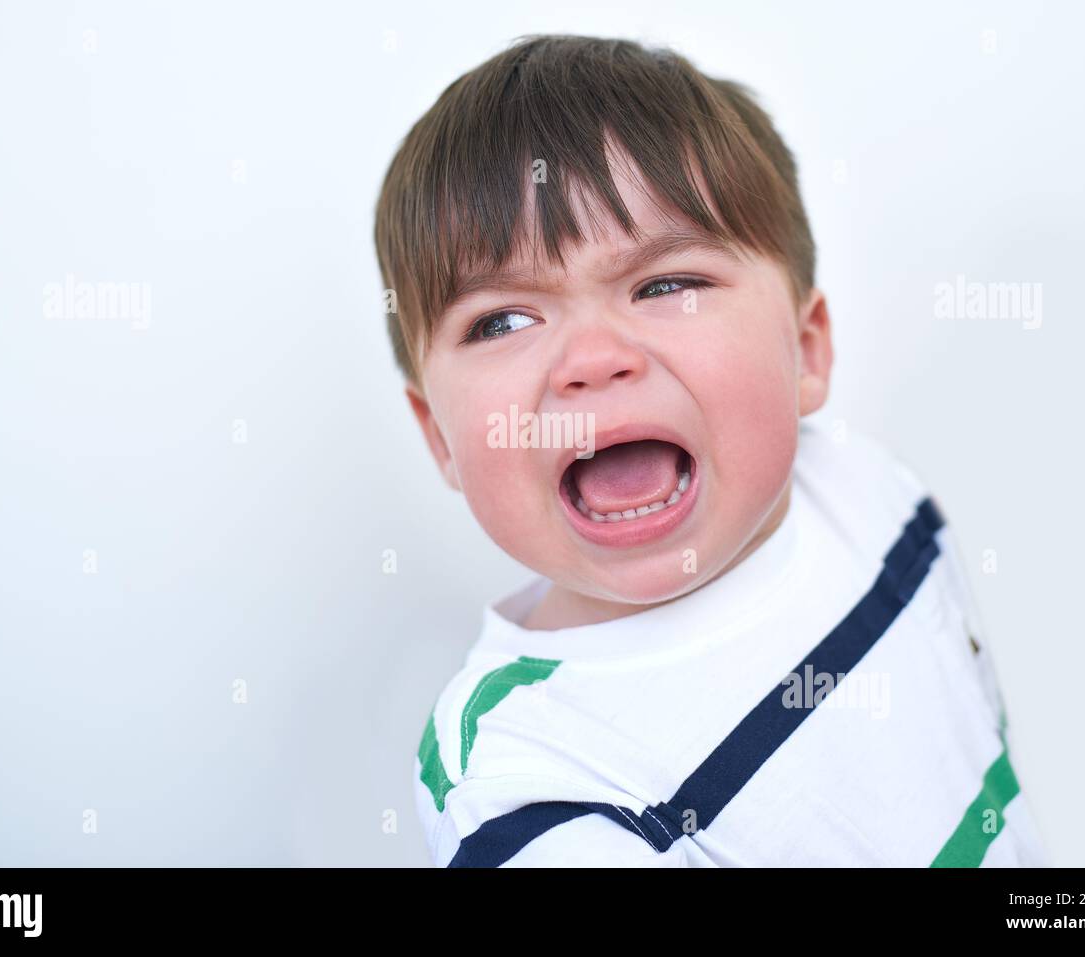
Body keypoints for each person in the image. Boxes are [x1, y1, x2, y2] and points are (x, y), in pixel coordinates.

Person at [373, 34, 1048, 867]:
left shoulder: (872, 495)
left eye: (666, 285)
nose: (591, 360)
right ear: (439, 436)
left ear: (805, 350)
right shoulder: (523, 777)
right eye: (502, 321)